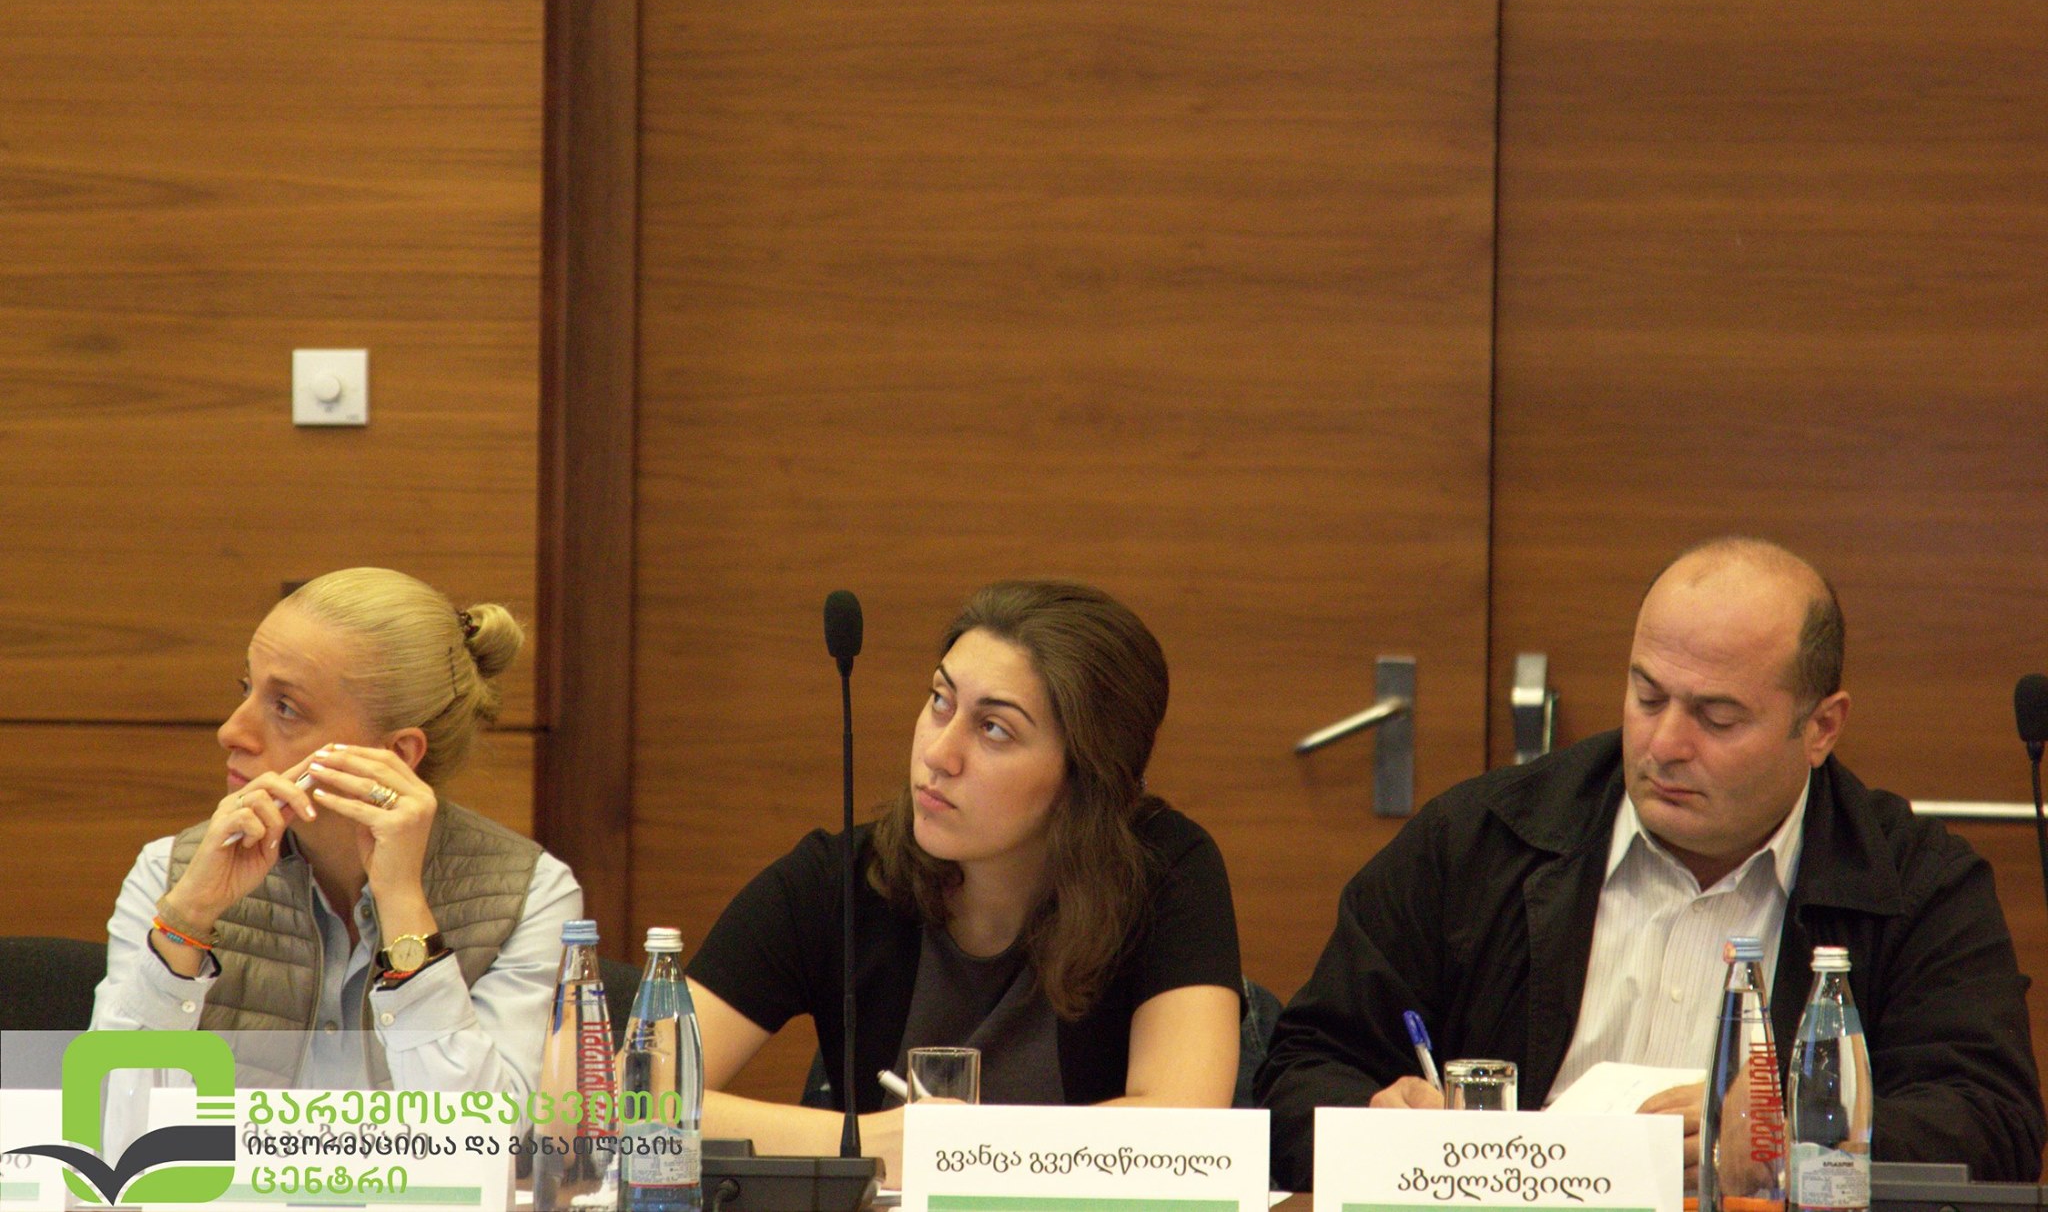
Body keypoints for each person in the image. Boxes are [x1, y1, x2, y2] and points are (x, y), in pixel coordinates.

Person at [1257, 537, 2045, 1189]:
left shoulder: (1915, 883)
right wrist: (1378, 1122)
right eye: (1647, 695)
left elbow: (1993, 1123)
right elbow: (1302, 1070)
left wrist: (1794, 1135)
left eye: (1717, 716)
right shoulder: (1480, 839)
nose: (1665, 743)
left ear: (1820, 727)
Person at [686, 580, 1243, 1181]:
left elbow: (1185, 1128)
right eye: (940, 701)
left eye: (994, 729)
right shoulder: (838, 879)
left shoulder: (1161, 870)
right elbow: (637, 1100)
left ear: (1085, 777)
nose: (938, 753)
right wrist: (873, 1143)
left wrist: (964, 1150)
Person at [91, 567, 583, 1098]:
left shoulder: (528, 894)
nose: (231, 731)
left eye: (285, 707)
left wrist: (404, 907)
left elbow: (487, 1132)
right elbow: (109, 1118)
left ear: (396, 755)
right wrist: (186, 921)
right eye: (246, 688)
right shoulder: (170, 873)